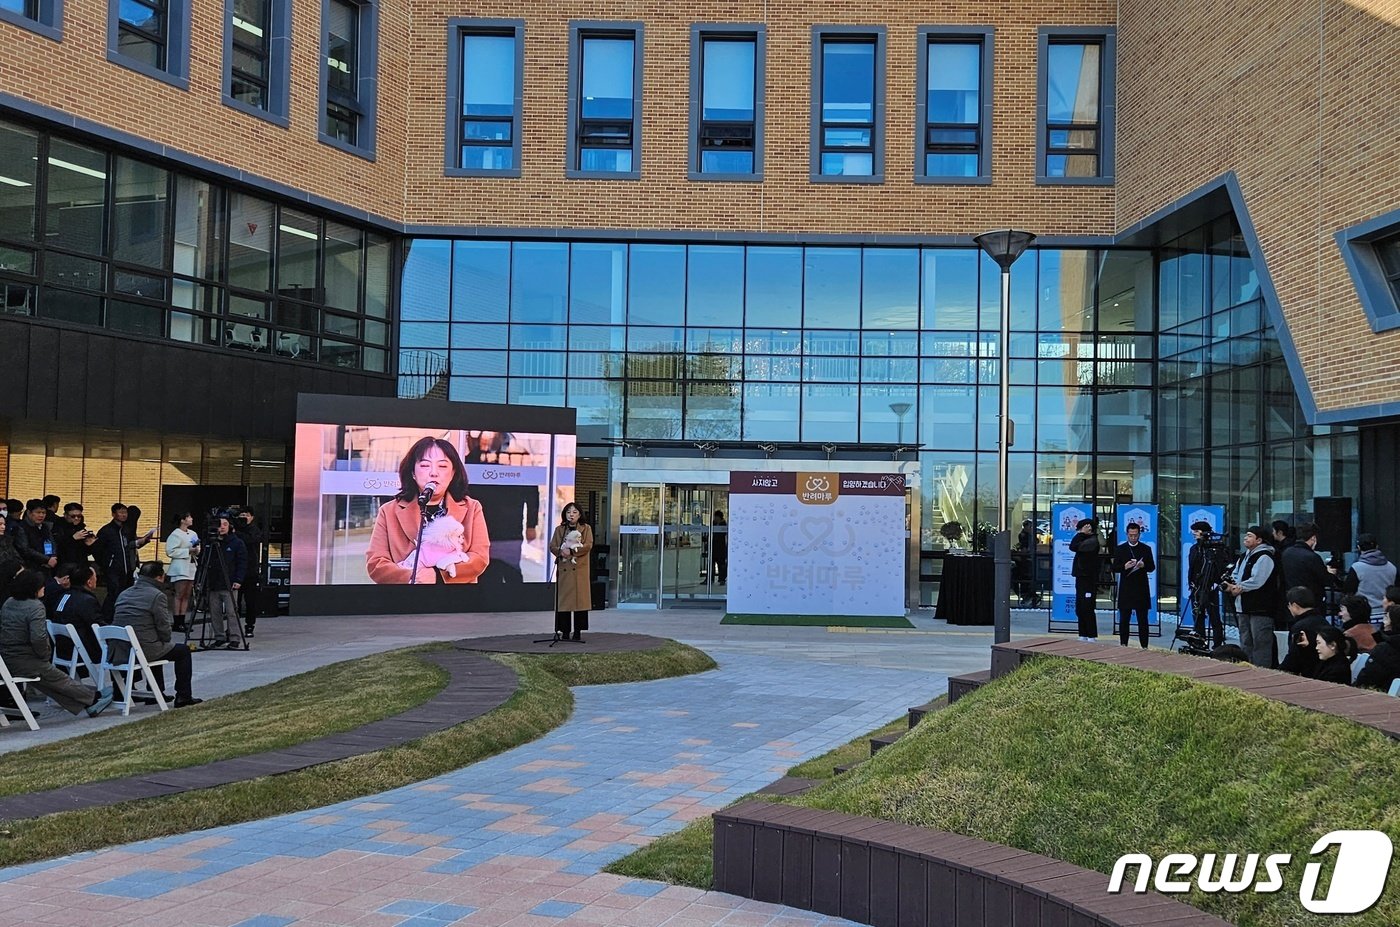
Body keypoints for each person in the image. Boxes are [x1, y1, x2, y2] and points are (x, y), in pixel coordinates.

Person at [366, 437, 489, 584]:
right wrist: (412, 577)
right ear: (413, 473)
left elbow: (480, 557)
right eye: (425, 465)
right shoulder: (388, 511)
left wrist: (439, 576)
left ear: (453, 473)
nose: (433, 473)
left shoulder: (472, 508)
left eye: (442, 466)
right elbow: (376, 563)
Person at [0, 569, 114, 717]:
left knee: (49, 679)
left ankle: (89, 701)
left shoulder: (9, 602)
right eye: (41, 585)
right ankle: (93, 698)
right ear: (33, 588)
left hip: (6, 656)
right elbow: (38, 638)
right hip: (25, 658)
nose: (44, 588)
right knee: (55, 676)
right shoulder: (35, 607)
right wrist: (45, 655)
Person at [114, 561, 202, 707]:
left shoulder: (124, 593)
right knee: (181, 651)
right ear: (160, 577)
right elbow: (164, 627)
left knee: (156, 643)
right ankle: (183, 696)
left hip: (121, 649)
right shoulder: (157, 595)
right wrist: (165, 640)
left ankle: (155, 692)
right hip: (142, 649)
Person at [469, 432, 541, 585]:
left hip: (510, 528)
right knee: (486, 571)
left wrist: (531, 525)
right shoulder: (478, 457)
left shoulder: (519, 456)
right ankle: (488, 602)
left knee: (511, 571)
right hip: (484, 526)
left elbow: (532, 492)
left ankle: (516, 602)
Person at [1223, 526, 1278, 668]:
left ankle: (1262, 672)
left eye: (1249, 536)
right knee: (1246, 641)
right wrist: (1231, 585)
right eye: (1246, 535)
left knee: (1260, 643)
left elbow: (1257, 580)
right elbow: (1235, 574)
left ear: (1259, 540)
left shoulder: (1264, 556)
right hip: (1243, 606)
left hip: (1260, 608)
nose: (1245, 538)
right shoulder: (1244, 555)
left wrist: (1238, 588)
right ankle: (1246, 668)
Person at [550, 503, 592, 641]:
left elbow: (588, 545)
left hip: (579, 569)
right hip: (564, 568)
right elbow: (553, 546)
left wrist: (573, 550)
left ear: (579, 515)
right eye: (568, 512)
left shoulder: (586, 528)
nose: (571, 515)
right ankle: (565, 631)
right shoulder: (560, 529)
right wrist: (561, 551)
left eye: (574, 512)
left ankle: (578, 631)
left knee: (580, 602)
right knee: (564, 602)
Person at [204, 516, 246, 648]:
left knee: (231, 612)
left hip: (230, 583)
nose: (221, 527)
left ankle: (234, 638)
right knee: (215, 612)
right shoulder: (210, 543)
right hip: (214, 583)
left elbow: (242, 563)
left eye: (225, 524)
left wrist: (238, 579)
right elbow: (204, 562)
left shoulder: (237, 543)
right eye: (219, 524)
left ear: (230, 527)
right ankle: (219, 636)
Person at [1113, 522, 1155, 648]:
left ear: (1139, 534)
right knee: (1124, 618)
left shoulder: (1146, 549)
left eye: (1135, 535)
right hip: (1126, 587)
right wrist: (1124, 566)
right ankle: (1123, 643)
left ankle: (1144, 645)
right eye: (1131, 535)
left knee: (1143, 619)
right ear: (1127, 534)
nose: (1133, 538)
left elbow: (1152, 567)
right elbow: (1114, 567)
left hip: (1141, 587)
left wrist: (1143, 565)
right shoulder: (1120, 549)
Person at [52, 565, 102, 671]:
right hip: (80, 649)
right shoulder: (87, 600)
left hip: (62, 648)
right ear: (89, 582)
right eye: (95, 577)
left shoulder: (63, 596)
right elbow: (97, 625)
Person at [1185, 521, 1226, 648]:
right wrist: (1192, 582)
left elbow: (1220, 567)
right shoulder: (1194, 548)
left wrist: (1216, 582)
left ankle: (1217, 644)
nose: (1194, 534)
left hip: (1211, 587)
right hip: (1197, 587)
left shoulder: (1216, 550)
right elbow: (1192, 567)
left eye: (1197, 531)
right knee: (1198, 615)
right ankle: (1199, 642)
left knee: (1214, 616)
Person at [96, 503, 135, 624]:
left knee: (125, 593)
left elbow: (127, 546)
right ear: (114, 514)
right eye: (121, 512)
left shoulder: (125, 530)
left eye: (125, 512)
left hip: (126, 568)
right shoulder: (106, 531)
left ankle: (120, 616)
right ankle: (106, 618)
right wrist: (106, 564)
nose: (123, 515)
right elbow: (97, 550)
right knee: (113, 593)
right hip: (112, 568)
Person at [1279, 522, 1332, 614]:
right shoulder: (1312, 557)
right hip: (1311, 602)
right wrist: (1330, 573)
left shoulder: (1286, 553)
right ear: (1313, 538)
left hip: (1291, 599)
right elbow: (1326, 579)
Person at [1278, 587, 1331, 675]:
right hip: (1324, 670)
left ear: (1295, 606)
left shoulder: (1299, 627)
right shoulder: (1323, 621)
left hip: (1308, 673)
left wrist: (1279, 672)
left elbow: (1295, 656)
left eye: (1289, 606)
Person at [1343, 534, 1397, 614]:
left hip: (1365, 614)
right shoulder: (1392, 567)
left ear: (1359, 548)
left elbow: (1348, 590)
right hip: (1388, 613)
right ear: (1377, 546)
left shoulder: (1357, 568)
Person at [165, 512, 200, 632]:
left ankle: (183, 620)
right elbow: (170, 551)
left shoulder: (193, 533)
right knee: (179, 594)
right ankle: (176, 621)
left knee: (187, 595)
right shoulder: (175, 534)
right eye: (189, 517)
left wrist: (196, 550)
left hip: (190, 565)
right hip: (180, 566)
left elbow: (197, 546)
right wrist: (187, 551)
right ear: (182, 520)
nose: (191, 519)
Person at [233, 507, 264, 636]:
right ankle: (233, 627)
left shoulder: (254, 530)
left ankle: (249, 626)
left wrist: (237, 532)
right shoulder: (234, 529)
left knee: (250, 601)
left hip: (251, 571)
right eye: (241, 516)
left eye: (246, 515)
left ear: (252, 517)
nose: (243, 518)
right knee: (235, 601)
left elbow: (251, 540)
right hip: (236, 570)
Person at [1069, 518, 1101, 641]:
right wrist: (1081, 534)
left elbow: (1073, 547)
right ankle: (1083, 633)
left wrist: (1081, 534)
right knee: (1080, 606)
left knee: (1087, 607)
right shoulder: (1085, 539)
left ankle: (1091, 635)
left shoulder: (1092, 541)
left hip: (1088, 578)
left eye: (1082, 529)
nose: (1079, 532)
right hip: (1081, 577)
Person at [1355, 605, 1400, 691]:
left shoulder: (1384, 649)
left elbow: (1366, 679)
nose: (1383, 622)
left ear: (1392, 623)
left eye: (1386, 618)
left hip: (1381, 695)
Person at [12, 499, 58, 579]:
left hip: (47, 566)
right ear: (29, 513)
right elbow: (25, 549)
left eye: (43, 513)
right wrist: (46, 560)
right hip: (30, 567)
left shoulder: (45, 527)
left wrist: (52, 557)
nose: (41, 515)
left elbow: (51, 543)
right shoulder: (21, 527)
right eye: (38, 512)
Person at [53, 503, 97, 568]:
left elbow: (85, 552)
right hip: (64, 564)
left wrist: (90, 545)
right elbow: (57, 546)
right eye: (73, 516)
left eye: (79, 516)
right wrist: (73, 538)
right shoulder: (58, 527)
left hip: (81, 565)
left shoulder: (81, 528)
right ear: (65, 515)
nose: (76, 518)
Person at [711, 510, 728, 586]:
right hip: (713, 546)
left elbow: (722, 535)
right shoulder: (713, 523)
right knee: (711, 563)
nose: (715, 518)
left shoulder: (724, 524)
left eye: (716, 517)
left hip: (720, 547)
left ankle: (722, 579)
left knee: (721, 564)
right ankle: (710, 578)